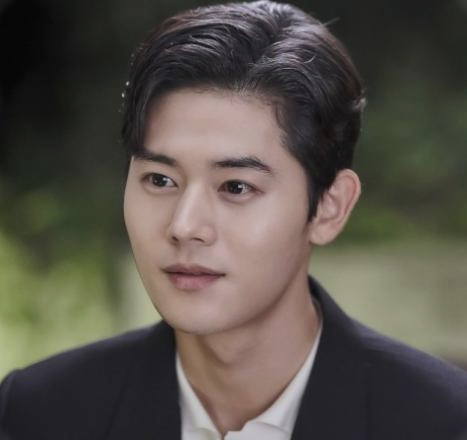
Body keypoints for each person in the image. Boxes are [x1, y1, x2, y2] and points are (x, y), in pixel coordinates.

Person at [1, 1, 466, 439]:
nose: (184, 226)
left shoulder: (441, 423)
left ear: (330, 206)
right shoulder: (39, 415)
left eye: (236, 187)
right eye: (160, 180)